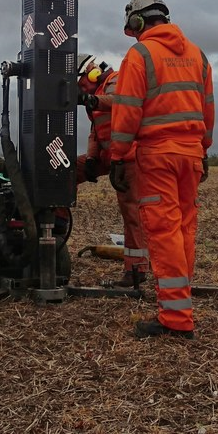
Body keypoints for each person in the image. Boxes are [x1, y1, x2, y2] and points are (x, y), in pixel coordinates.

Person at [108, 0, 214, 340]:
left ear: (137, 22)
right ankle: (179, 303)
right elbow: (207, 110)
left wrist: (119, 156)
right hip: (191, 156)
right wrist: (203, 149)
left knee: (164, 231)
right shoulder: (198, 56)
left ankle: (176, 319)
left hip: (158, 157)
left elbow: (125, 112)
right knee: (184, 229)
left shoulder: (140, 55)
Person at [75, 54, 150, 287]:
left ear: (92, 72)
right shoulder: (96, 95)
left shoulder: (117, 81)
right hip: (108, 155)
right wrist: (90, 158)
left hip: (128, 155)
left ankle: (136, 269)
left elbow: (120, 100)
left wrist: (93, 100)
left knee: (132, 213)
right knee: (63, 171)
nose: (81, 89)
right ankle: (55, 226)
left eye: (81, 84)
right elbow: (96, 131)